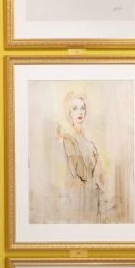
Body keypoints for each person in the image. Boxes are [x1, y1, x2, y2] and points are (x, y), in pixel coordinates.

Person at [55, 91, 106, 223]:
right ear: (70, 113)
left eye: (82, 108)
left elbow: (100, 174)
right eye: (75, 108)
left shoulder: (90, 141)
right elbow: (80, 172)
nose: (80, 112)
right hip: (77, 198)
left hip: (93, 197)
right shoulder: (67, 140)